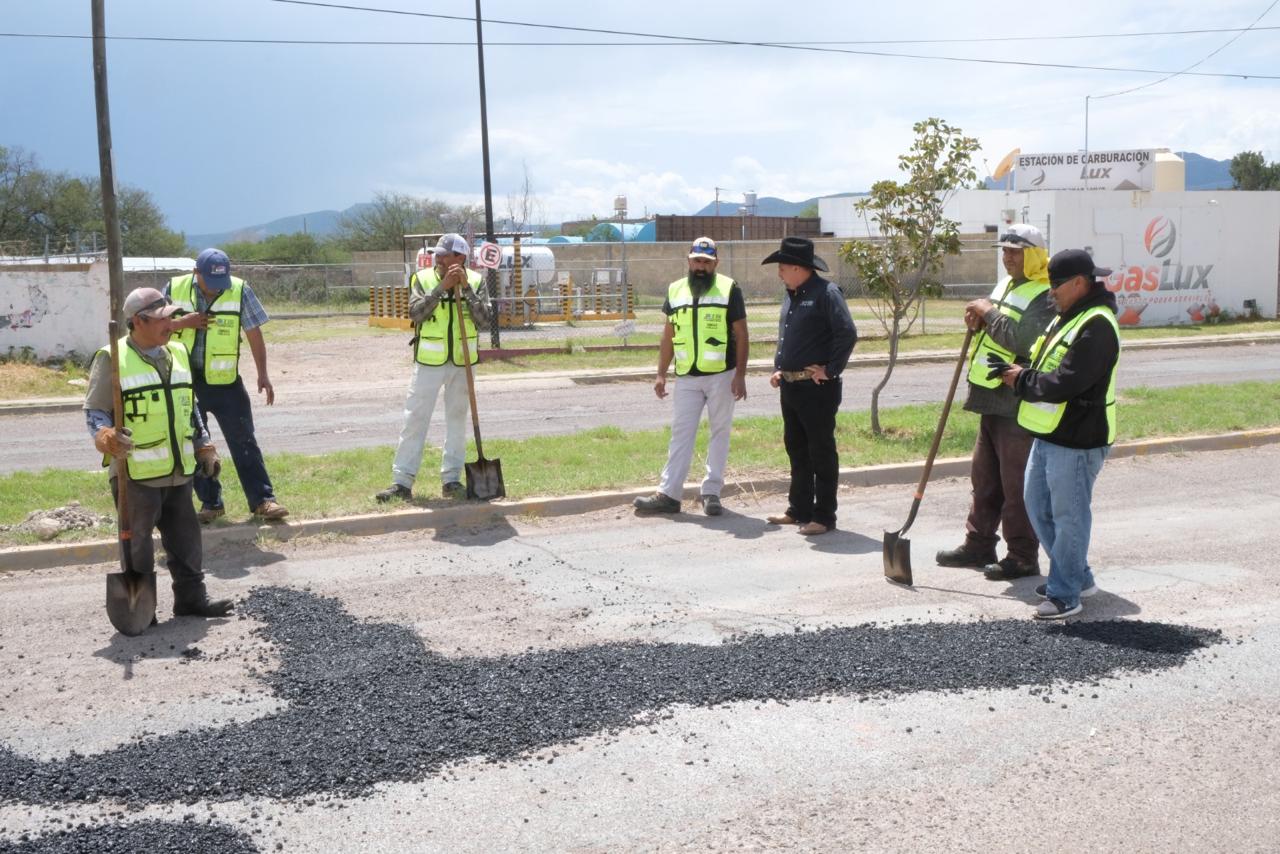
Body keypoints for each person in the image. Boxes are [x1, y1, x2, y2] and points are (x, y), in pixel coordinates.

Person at [84, 288, 233, 621]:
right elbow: (94, 410)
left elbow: (189, 405)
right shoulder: (112, 358)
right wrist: (106, 436)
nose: (172, 324)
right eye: (165, 319)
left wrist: (204, 444)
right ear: (139, 321)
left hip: (179, 469)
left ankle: (191, 601)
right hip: (135, 473)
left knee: (187, 542)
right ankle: (140, 610)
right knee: (137, 546)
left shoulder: (177, 351)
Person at [993, 249, 1121, 620]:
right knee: (1038, 507)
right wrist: (1020, 370)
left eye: (1056, 285)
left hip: (1080, 438)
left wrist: (1022, 380)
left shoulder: (1096, 324)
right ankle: (1077, 576)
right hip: (1051, 431)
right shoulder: (1069, 316)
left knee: (1069, 516)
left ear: (1080, 283)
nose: (1051, 292)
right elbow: (1046, 362)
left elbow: (1069, 381)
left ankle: (1065, 593)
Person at [936, 224, 1055, 580]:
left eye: (1015, 252)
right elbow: (996, 326)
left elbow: (1022, 340)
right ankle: (979, 544)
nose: (1007, 258)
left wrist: (988, 313)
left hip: (1016, 403)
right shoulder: (1006, 285)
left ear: (1033, 255)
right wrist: (978, 321)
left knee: (1015, 484)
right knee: (984, 479)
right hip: (990, 397)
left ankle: (1021, 555)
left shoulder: (1044, 294)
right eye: (1004, 251)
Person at [166, 248, 289, 523]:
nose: (215, 289)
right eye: (210, 281)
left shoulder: (239, 290)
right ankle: (211, 504)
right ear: (196, 273)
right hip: (185, 382)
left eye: (220, 282)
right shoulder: (174, 288)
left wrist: (263, 374)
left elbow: (254, 332)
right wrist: (184, 322)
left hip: (225, 382)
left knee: (244, 441)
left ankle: (263, 501)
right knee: (198, 444)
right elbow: (154, 327)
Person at [634, 237, 749, 516]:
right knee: (681, 434)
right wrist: (661, 373)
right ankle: (669, 495)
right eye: (697, 260)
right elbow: (668, 335)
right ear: (688, 260)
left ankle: (711, 493)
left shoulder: (728, 288)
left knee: (719, 432)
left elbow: (742, 333)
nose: (701, 266)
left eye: (706, 262)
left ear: (715, 264)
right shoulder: (675, 290)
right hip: (686, 377)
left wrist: (741, 375)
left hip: (722, 374)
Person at [376, 233, 492, 502]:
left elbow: (485, 321)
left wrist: (466, 290)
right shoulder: (422, 278)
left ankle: (451, 480)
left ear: (460, 258)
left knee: (456, 422)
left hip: (463, 364)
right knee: (415, 420)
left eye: (443, 254)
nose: (437, 258)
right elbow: (416, 314)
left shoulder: (476, 281)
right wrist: (441, 288)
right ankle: (402, 482)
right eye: (437, 254)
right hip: (429, 363)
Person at [763, 237, 857, 535]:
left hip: (817, 389)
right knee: (797, 449)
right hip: (791, 387)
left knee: (821, 452)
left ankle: (824, 516)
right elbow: (794, 339)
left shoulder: (826, 293)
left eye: (782, 266)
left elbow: (847, 333)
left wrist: (830, 369)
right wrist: (780, 369)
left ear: (797, 267)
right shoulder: (791, 294)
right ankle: (799, 509)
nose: (778, 272)